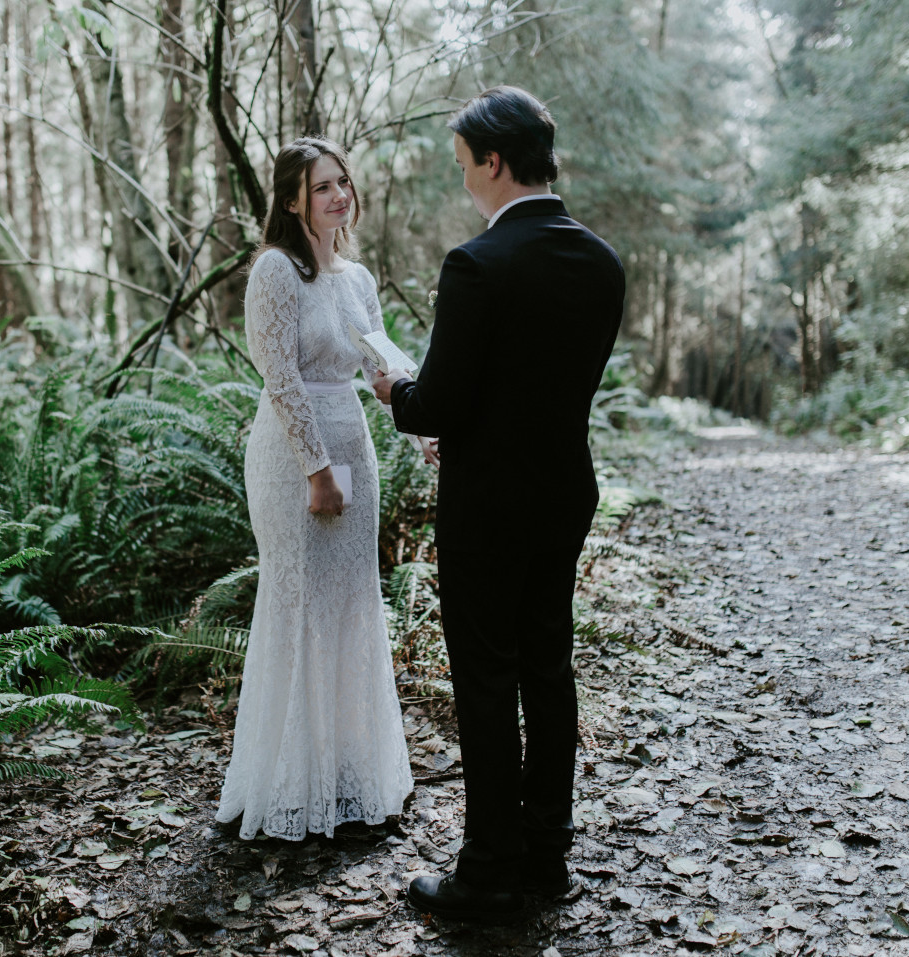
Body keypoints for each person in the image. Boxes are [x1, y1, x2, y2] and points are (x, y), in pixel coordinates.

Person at [371, 86, 625, 921]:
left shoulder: (477, 263)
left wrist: (394, 390)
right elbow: (543, 388)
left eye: (463, 166)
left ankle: (485, 870)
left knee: (485, 677)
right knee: (548, 668)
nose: (463, 183)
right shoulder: (599, 261)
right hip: (562, 492)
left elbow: (438, 402)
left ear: (493, 160)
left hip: (486, 504)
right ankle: (546, 856)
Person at [216, 136, 428, 841]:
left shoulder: (359, 278)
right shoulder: (275, 271)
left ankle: (345, 772)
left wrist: (423, 428)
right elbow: (279, 379)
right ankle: (285, 782)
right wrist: (315, 470)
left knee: (349, 602)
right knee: (301, 601)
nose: (339, 195)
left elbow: (381, 367)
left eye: (343, 182)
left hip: (354, 445)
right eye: (323, 186)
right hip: (292, 453)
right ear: (291, 199)